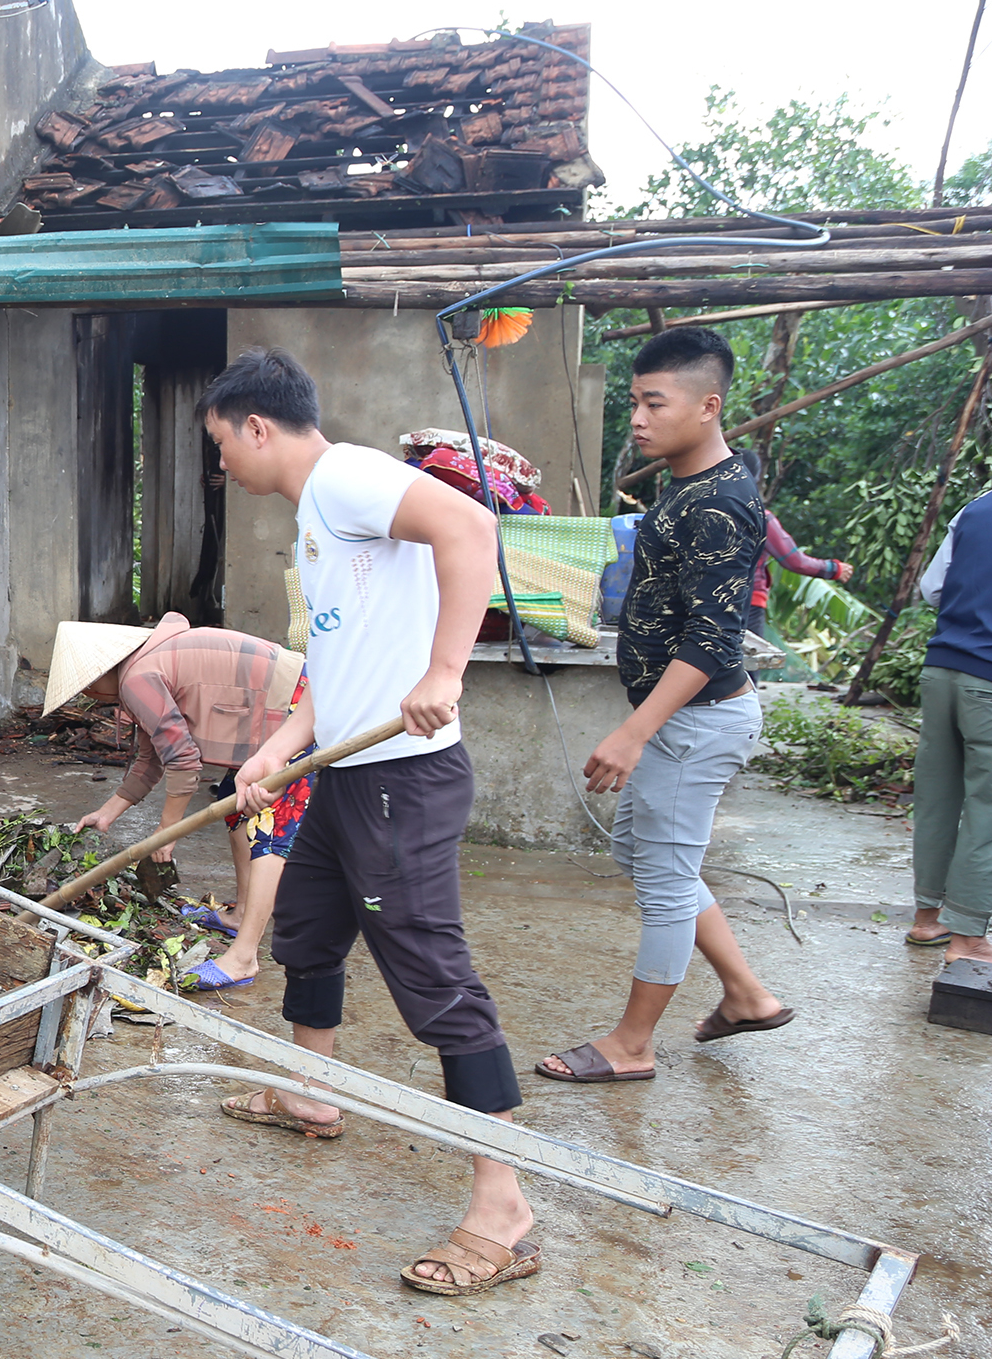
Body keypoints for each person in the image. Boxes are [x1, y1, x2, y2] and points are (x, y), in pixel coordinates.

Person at [209, 346, 539, 1297]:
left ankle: (503, 1202)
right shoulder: (320, 514)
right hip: (344, 768)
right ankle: (311, 1092)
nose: (223, 463)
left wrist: (446, 671)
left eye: (221, 443)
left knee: (431, 973)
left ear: (256, 427)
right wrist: (280, 745)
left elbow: (471, 529)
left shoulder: (347, 475)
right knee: (307, 932)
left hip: (403, 777)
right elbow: (340, 658)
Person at [538, 327, 793, 1085]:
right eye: (635, 402)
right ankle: (746, 993)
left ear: (709, 406)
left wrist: (635, 730)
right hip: (682, 717)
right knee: (647, 858)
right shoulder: (688, 486)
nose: (639, 419)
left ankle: (633, 1045)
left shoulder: (719, 504)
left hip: (695, 720)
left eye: (656, 402)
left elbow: (716, 638)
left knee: (665, 877)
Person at [48, 612, 309, 990]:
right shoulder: (143, 668)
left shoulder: (138, 679)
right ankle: (239, 917)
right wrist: (106, 813)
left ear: (100, 675)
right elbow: (149, 757)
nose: (87, 698)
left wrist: (167, 832)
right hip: (275, 712)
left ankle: (244, 956)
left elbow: (183, 760)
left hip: (298, 706)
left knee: (269, 823)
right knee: (235, 805)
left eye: (85, 689)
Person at [907, 495, 992, 959]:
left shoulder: (975, 509)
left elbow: (932, 588)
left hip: (941, 670)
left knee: (937, 798)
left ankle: (927, 920)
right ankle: (969, 939)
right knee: (987, 810)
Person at [736, 449, 855, 650]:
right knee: (747, 665)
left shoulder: (704, 509)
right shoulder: (759, 517)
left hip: (708, 600)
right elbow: (795, 561)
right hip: (748, 602)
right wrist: (835, 569)